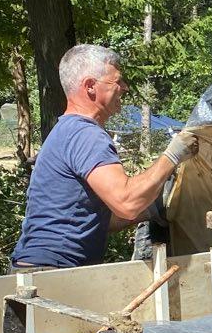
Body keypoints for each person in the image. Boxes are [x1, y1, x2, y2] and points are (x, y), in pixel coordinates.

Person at [10, 45, 198, 270]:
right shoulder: (85, 134)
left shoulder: (67, 131)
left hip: (35, 268)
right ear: (90, 86)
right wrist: (173, 154)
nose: (125, 88)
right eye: (117, 82)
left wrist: (150, 209)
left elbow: (93, 220)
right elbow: (126, 203)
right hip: (51, 274)